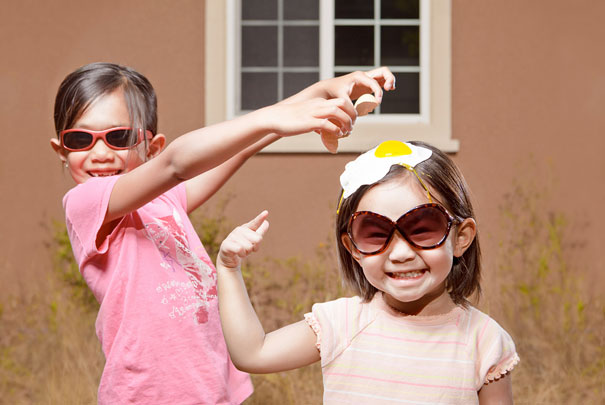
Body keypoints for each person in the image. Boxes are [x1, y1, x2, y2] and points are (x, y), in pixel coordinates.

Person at [49, 62, 396, 404]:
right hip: (147, 395)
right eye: (79, 139)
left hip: (210, 386)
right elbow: (176, 164)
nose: (99, 154)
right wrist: (270, 120)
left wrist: (324, 90)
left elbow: (245, 143)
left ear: (150, 147)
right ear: (61, 151)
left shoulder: (163, 202)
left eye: (118, 137)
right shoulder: (85, 202)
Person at [217, 140, 520, 404]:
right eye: (375, 233)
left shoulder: (485, 341)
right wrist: (229, 269)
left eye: (424, 229)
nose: (401, 254)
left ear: (461, 237)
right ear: (353, 249)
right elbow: (252, 353)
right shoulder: (341, 324)